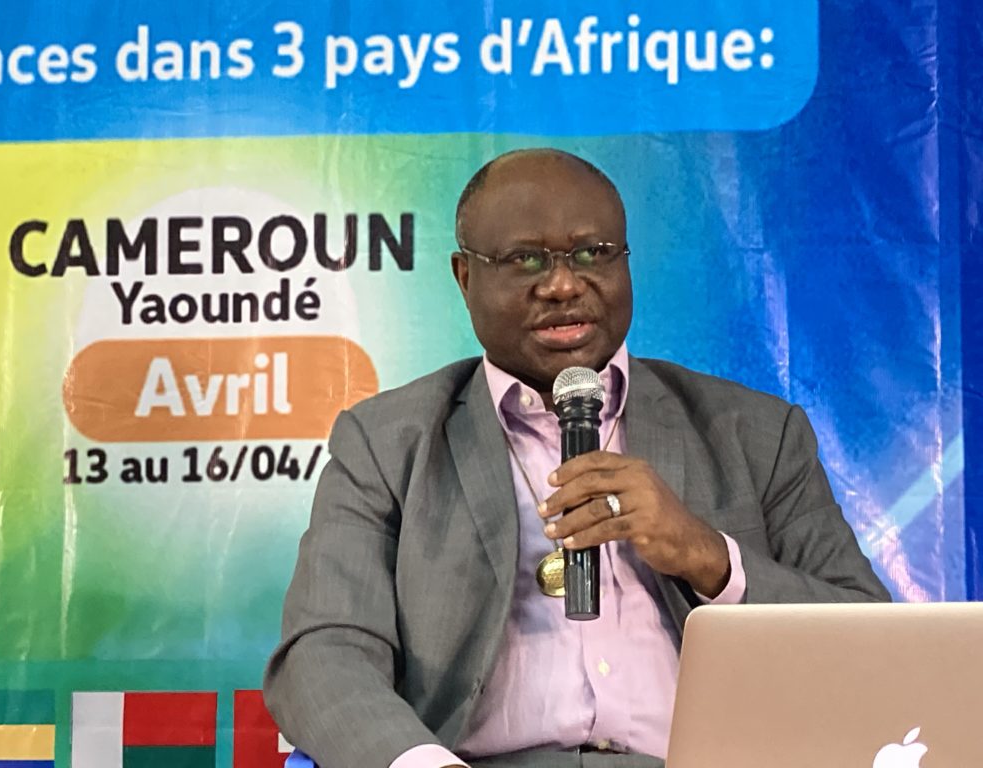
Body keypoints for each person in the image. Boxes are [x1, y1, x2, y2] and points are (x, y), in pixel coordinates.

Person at [264, 149, 890, 768]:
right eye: (525, 259)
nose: (563, 284)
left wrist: (708, 557)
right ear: (464, 277)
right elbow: (324, 653)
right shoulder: (386, 442)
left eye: (592, 254)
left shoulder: (755, 433)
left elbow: (875, 647)